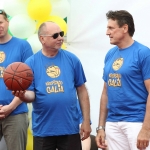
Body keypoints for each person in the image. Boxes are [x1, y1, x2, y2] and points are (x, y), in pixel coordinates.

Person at [13, 21, 91, 150]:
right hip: (44, 129)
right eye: (55, 35)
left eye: (61, 34)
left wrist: (86, 121)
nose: (60, 38)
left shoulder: (72, 59)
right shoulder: (31, 63)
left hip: (70, 128)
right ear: (42, 39)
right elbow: (31, 94)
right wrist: (22, 95)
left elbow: (82, 91)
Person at [95, 10, 150, 150]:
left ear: (125, 28)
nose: (107, 32)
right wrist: (101, 127)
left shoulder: (143, 53)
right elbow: (105, 93)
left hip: (136, 122)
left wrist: (146, 129)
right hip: (112, 122)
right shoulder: (110, 54)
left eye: (111, 28)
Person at [0, 10, 33, 150]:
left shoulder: (22, 46)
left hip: (15, 113)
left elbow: (28, 81)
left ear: (7, 22)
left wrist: (10, 107)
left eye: (0, 22)